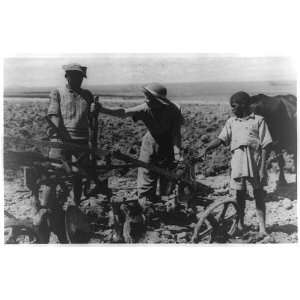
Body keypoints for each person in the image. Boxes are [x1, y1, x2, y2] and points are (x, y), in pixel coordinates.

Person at [97, 83, 184, 211]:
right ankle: (146, 204)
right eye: (146, 97)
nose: (146, 100)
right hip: (150, 143)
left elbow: (176, 134)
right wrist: (102, 109)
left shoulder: (173, 110)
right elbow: (123, 113)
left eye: (150, 98)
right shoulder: (145, 108)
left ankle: (166, 206)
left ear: (159, 101)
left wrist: (178, 155)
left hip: (168, 144)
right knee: (147, 173)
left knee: (167, 175)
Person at [34, 63, 96, 242]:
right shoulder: (57, 93)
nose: (75, 80)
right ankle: (45, 211)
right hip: (60, 141)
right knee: (52, 175)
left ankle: (74, 208)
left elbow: (91, 119)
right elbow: (54, 115)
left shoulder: (88, 95)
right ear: (66, 76)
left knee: (79, 175)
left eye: (79, 78)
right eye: (72, 77)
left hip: (82, 142)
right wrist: (61, 135)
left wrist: (94, 112)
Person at [202, 91, 272, 240]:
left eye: (234, 106)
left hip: (255, 162)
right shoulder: (231, 122)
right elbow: (221, 139)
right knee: (239, 195)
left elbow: (266, 145)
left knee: (258, 194)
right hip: (238, 163)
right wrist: (208, 148)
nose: (232, 109)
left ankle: (263, 228)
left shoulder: (259, 120)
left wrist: (262, 167)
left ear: (244, 105)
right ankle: (240, 225)